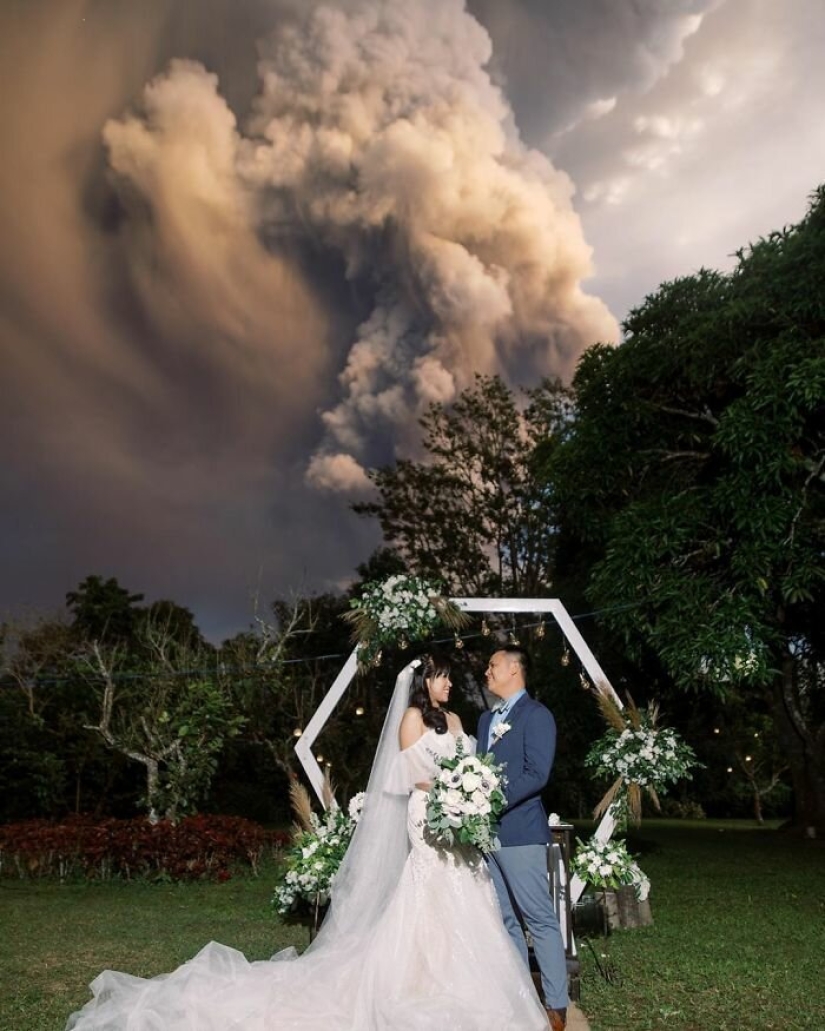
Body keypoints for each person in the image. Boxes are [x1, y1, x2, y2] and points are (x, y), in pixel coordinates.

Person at [67, 653, 549, 1031]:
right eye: (442, 677)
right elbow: (409, 778)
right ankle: (416, 985)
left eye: (448, 678)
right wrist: (448, 793)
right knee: (429, 901)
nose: (448, 684)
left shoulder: (461, 723)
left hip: (460, 827)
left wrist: (470, 792)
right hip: (428, 819)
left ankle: (471, 990)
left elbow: (470, 767)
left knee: (471, 902)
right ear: (425, 682)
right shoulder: (410, 721)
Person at [478, 645, 569, 1031]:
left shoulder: (537, 715)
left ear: (514, 669)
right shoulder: (484, 720)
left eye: (493, 665)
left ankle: (556, 1006)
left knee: (539, 919)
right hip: (486, 837)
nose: (487, 671)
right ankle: (521, 998)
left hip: (520, 833)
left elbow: (537, 774)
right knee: (504, 920)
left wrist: (489, 799)